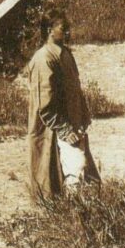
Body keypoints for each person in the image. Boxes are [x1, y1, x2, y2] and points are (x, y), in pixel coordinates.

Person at [27, 12, 100, 199]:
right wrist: (65, 129)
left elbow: (76, 89)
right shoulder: (44, 58)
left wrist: (83, 117)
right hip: (53, 126)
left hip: (73, 123)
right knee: (56, 174)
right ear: (50, 30)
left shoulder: (66, 54)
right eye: (63, 28)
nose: (68, 32)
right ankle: (65, 216)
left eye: (68, 28)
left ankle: (76, 212)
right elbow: (45, 104)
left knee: (79, 172)